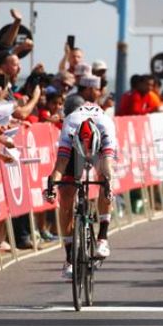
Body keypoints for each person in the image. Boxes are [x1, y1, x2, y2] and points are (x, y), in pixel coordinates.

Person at [45, 102, 116, 279]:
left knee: (105, 181)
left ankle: (102, 238)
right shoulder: (69, 128)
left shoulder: (107, 128)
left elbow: (107, 166)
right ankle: (69, 258)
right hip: (75, 148)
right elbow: (60, 165)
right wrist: (51, 186)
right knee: (66, 194)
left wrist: (109, 186)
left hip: (99, 147)